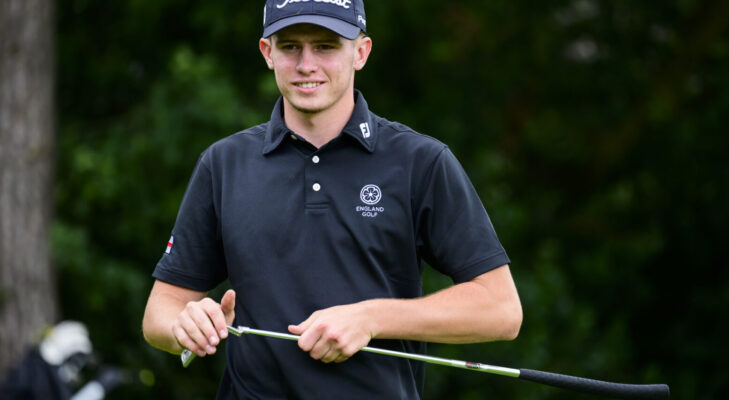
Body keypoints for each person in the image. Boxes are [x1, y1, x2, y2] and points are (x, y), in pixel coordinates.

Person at [142, 0, 523, 398]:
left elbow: (500, 309)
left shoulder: (420, 162)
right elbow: (159, 312)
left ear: (361, 52)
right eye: (290, 46)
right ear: (267, 53)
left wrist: (371, 318)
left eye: (325, 46)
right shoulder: (223, 163)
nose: (306, 64)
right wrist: (184, 325)